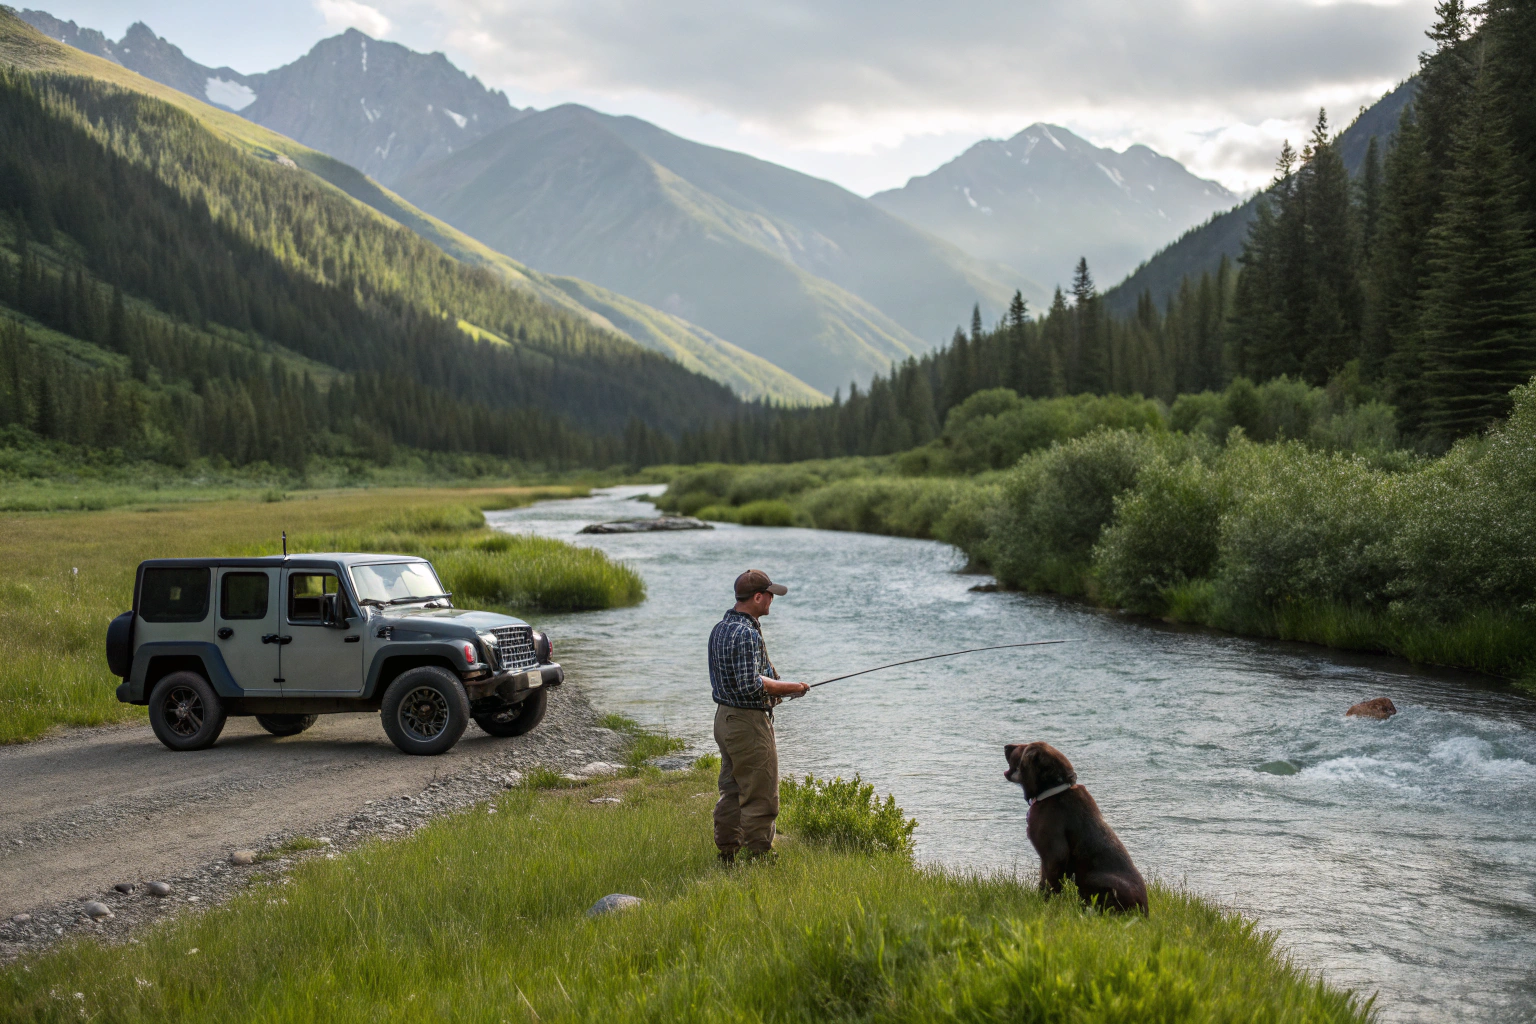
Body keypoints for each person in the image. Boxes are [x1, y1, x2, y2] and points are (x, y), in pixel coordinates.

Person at [708, 569, 809, 864]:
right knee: (761, 793)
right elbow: (750, 683)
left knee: (732, 789)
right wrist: (793, 687)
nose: (771, 601)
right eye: (769, 596)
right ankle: (760, 857)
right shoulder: (746, 633)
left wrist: (775, 690)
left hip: (723, 720)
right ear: (756, 597)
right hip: (747, 724)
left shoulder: (720, 627)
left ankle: (727, 852)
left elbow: (736, 681)